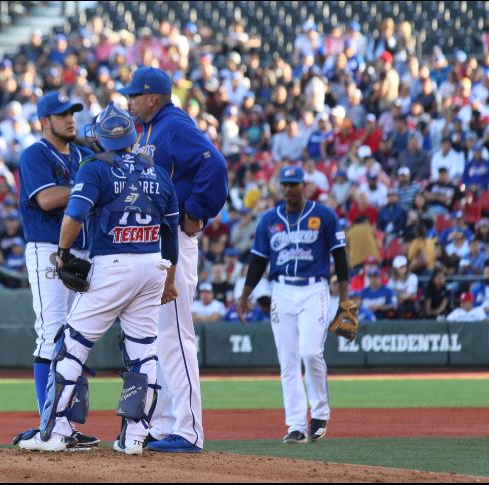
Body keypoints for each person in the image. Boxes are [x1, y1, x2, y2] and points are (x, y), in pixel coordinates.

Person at [15, 103, 179, 455]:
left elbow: (74, 214)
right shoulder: (157, 171)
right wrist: (170, 279)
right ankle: (134, 436)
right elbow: (172, 232)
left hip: (112, 265)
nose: (71, 120)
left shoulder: (93, 166)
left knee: (70, 346)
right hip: (153, 266)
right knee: (143, 353)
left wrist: (61, 252)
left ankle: (56, 431)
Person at [119, 66, 228, 453]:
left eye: (133, 95)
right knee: (157, 337)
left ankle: (189, 430)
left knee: (175, 336)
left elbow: (214, 164)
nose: (128, 101)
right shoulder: (148, 128)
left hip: (176, 240)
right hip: (154, 240)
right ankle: (164, 424)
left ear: (153, 97)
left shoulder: (173, 124)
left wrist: (197, 210)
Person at [237, 165, 350, 444]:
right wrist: (245, 295)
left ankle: (321, 412)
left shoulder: (324, 215)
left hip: (314, 288)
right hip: (282, 289)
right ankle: (296, 426)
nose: (288, 189)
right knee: (288, 362)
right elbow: (259, 260)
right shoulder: (268, 220)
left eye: (293, 184)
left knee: (311, 352)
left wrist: (345, 299)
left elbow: (340, 256)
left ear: (304, 186)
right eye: (284, 184)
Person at [17, 91, 98, 449]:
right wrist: (89, 186)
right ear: (44, 122)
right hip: (48, 248)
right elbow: (46, 199)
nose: (70, 118)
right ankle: (49, 421)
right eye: (62, 114)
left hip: (84, 249)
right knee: (51, 332)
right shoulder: (35, 154)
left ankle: (66, 425)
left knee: (76, 337)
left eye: (73, 112)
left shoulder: (83, 154)